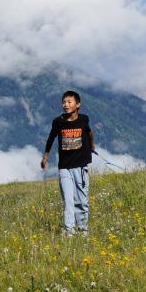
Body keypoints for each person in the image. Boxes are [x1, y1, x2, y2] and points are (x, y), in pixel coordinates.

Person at [41, 91, 94, 236]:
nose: (66, 105)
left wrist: (92, 147)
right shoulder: (58, 122)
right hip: (64, 167)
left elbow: (89, 133)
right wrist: (45, 156)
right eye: (64, 102)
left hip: (81, 167)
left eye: (69, 102)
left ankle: (83, 229)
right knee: (68, 200)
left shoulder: (84, 119)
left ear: (78, 105)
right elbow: (51, 138)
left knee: (82, 201)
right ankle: (68, 231)